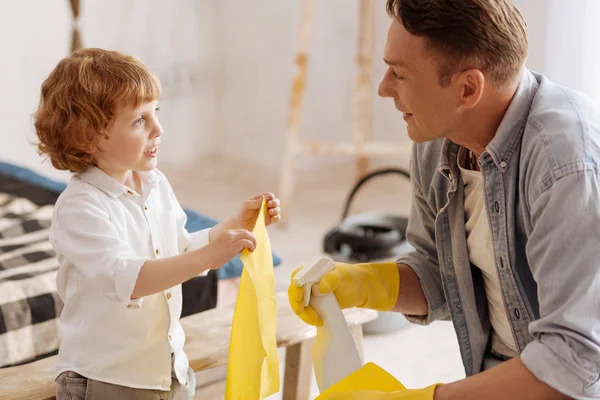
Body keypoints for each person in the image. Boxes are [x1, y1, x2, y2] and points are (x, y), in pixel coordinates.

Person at [289, 0, 600, 399]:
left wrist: (431, 398)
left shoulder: (567, 166)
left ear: (468, 88)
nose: (384, 88)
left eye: (399, 74)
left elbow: (574, 361)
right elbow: (443, 270)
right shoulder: (439, 140)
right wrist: (366, 283)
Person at [35, 48, 281, 400]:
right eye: (140, 121)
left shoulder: (155, 184)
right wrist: (212, 255)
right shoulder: (79, 208)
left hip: (166, 369)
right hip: (106, 380)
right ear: (89, 136)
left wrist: (230, 226)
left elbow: (176, 251)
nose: (158, 129)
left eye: (156, 113)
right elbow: (131, 279)